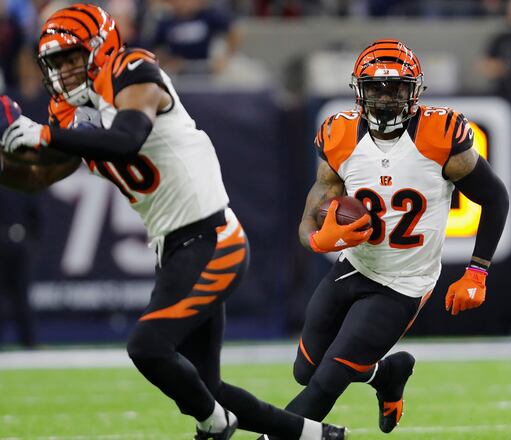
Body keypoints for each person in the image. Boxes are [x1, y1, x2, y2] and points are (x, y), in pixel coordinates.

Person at [0, 4, 346, 439]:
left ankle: (214, 426)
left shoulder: (132, 69)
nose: (65, 72)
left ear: (100, 48)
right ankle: (318, 436)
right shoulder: (72, 115)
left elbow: (128, 139)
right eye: (56, 63)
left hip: (211, 237)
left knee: (147, 346)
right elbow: (37, 176)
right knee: (209, 384)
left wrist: (43, 134)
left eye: (72, 58)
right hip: (175, 246)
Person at [270, 39, 509, 437]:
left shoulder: (441, 134)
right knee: (305, 371)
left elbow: (495, 197)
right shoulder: (339, 133)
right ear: (359, 91)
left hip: (403, 283)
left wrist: (478, 271)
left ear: (413, 91)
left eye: (395, 87)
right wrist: (317, 240)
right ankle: (387, 374)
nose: (383, 98)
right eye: (375, 88)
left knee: (326, 382)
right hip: (355, 266)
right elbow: (311, 213)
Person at [0, 187, 40, 348]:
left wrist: (30, 243)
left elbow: (36, 218)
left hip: (21, 248)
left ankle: (28, 341)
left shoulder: (23, 187)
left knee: (22, 296)